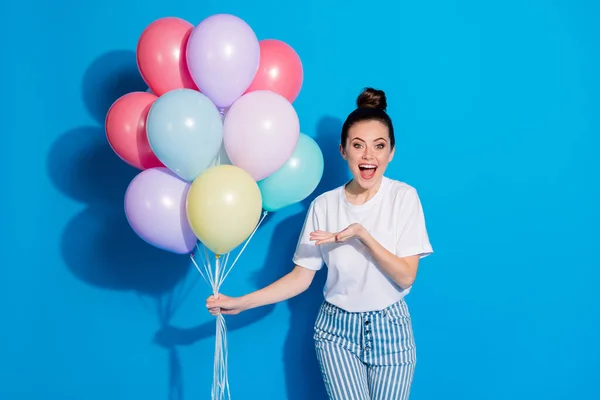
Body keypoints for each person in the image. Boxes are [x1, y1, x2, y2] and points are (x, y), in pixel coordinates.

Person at [206, 87, 433, 400]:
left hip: (390, 329)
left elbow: (406, 276)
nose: (369, 155)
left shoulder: (403, 198)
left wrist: (362, 235)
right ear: (343, 150)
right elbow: (301, 278)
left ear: (391, 152)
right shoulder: (324, 206)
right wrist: (242, 302)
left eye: (379, 146)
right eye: (358, 145)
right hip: (336, 332)